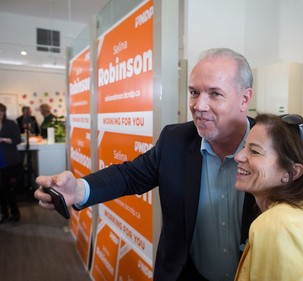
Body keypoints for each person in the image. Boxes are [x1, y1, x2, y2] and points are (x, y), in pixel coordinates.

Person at [34, 48, 259, 281]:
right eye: (194, 92)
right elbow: (129, 175)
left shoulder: (277, 147)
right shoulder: (176, 140)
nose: (199, 106)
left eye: (215, 94)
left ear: (244, 99)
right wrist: (79, 189)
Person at [234, 113, 303, 280]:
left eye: (254, 151)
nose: (238, 156)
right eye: (244, 147)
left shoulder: (277, 225)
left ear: (292, 172)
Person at [0, 103, 22, 223]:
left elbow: (17, 140)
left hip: (8, 160)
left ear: (4, 112)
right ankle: (4, 213)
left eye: (1, 112)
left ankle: (14, 212)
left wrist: (3, 139)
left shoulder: (10, 124)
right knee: (1, 189)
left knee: (6, 189)